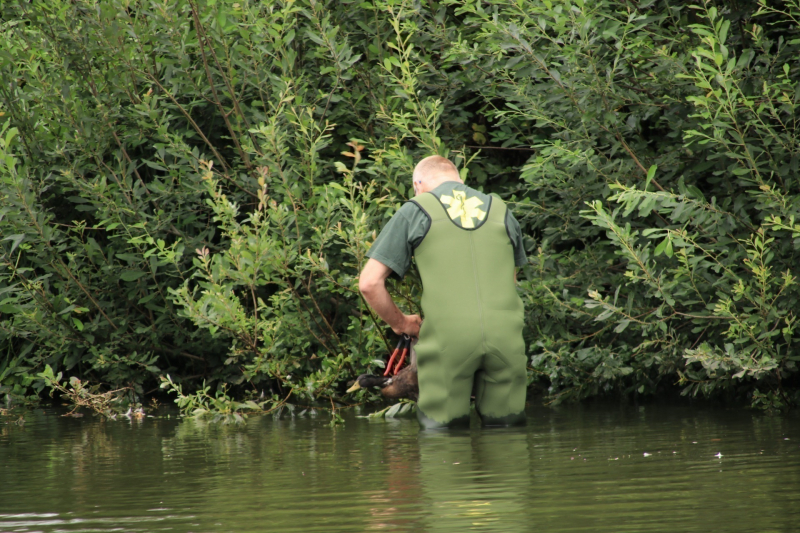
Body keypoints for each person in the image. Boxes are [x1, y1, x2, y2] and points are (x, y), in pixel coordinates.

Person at [359, 155, 528, 428]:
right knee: (508, 432)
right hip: (506, 335)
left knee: (442, 436)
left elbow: (369, 283)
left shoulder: (416, 209)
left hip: (448, 340)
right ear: (459, 179)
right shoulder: (501, 209)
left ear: (417, 185)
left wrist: (402, 324)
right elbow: (511, 279)